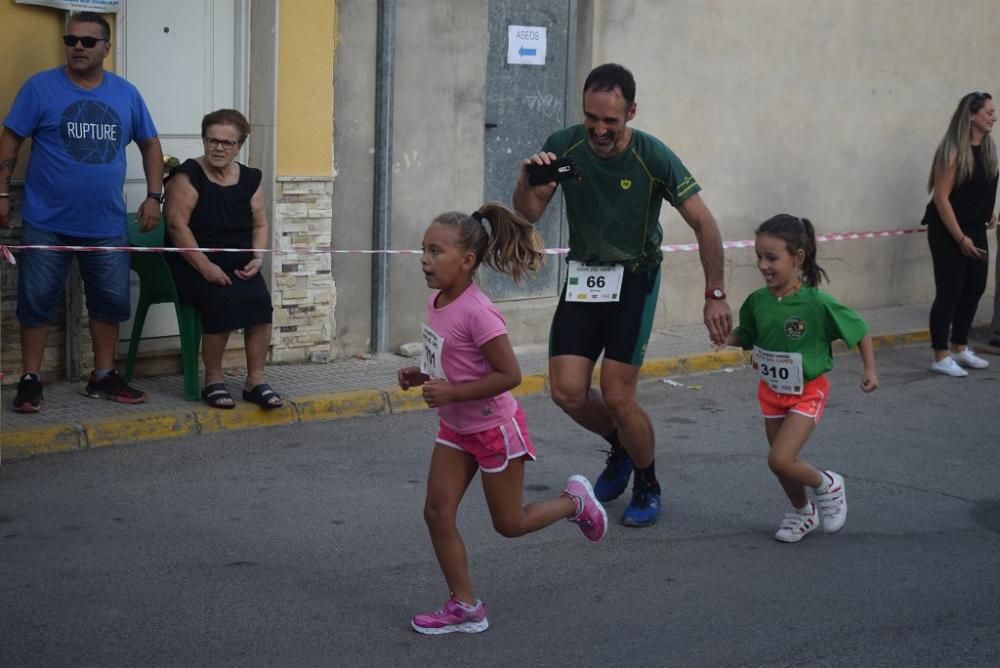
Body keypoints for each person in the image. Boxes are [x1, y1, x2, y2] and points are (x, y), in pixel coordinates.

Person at [512, 63, 731, 527]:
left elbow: (704, 222)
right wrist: (529, 181)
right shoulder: (569, 151)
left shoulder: (652, 159)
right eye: (592, 117)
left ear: (630, 112)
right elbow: (530, 211)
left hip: (634, 277)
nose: (600, 129)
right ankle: (623, 448)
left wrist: (715, 293)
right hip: (585, 277)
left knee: (616, 392)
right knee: (567, 392)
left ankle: (647, 481)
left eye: (611, 120)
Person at [399, 203, 607, 635]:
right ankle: (466, 605)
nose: (424, 259)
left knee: (509, 524)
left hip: (494, 429)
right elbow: (450, 358)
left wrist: (452, 391)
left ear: (467, 261)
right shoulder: (436, 300)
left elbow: (509, 375)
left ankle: (576, 502)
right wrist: (421, 373)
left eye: (435, 251)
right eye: (423, 249)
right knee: (437, 513)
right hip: (456, 427)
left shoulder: (479, 312)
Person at [0, 11, 163, 413]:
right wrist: (1, 194)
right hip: (46, 222)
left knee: (109, 303)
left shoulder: (126, 94)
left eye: (88, 42)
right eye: (71, 40)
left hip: (106, 224)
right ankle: (31, 379)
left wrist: (154, 196)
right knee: (35, 303)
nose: (77, 47)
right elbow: (10, 142)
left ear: (106, 48)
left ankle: (103, 377)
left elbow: (150, 144)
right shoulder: (40, 89)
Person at [721, 214, 878, 542]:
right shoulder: (757, 302)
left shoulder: (817, 302)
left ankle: (827, 484)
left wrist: (870, 370)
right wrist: (725, 337)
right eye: (759, 257)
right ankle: (803, 512)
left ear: (798, 257)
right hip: (771, 391)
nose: (763, 265)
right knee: (782, 464)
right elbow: (747, 334)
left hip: (807, 391)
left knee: (779, 458)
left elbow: (860, 330)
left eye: (772, 258)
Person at [163, 109, 281, 409]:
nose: (218, 147)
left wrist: (258, 257)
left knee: (259, 302)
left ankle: (255, 380)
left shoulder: (250, 179)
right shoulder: (186, 177)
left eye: (227, 143)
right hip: (192, 260)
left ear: (239, 146)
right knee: (222, 300)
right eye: (212, 140)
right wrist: (206, 267)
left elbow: (260, 224)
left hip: (237, 258)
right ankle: (213, 379)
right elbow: (177, 227)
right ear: (204, 141)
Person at [922, 91, 998, 377]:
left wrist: (988, 212)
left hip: (975, 227)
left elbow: (980, 187)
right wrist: (960, 239)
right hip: (948, 230)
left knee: (975, 288)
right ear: (971, 115)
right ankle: (940, 355)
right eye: (989, 112)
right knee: (949, 292)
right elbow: (941, 198)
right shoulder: (952, 151)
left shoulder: (988, 150)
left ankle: (960, 347)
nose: (994, 117)